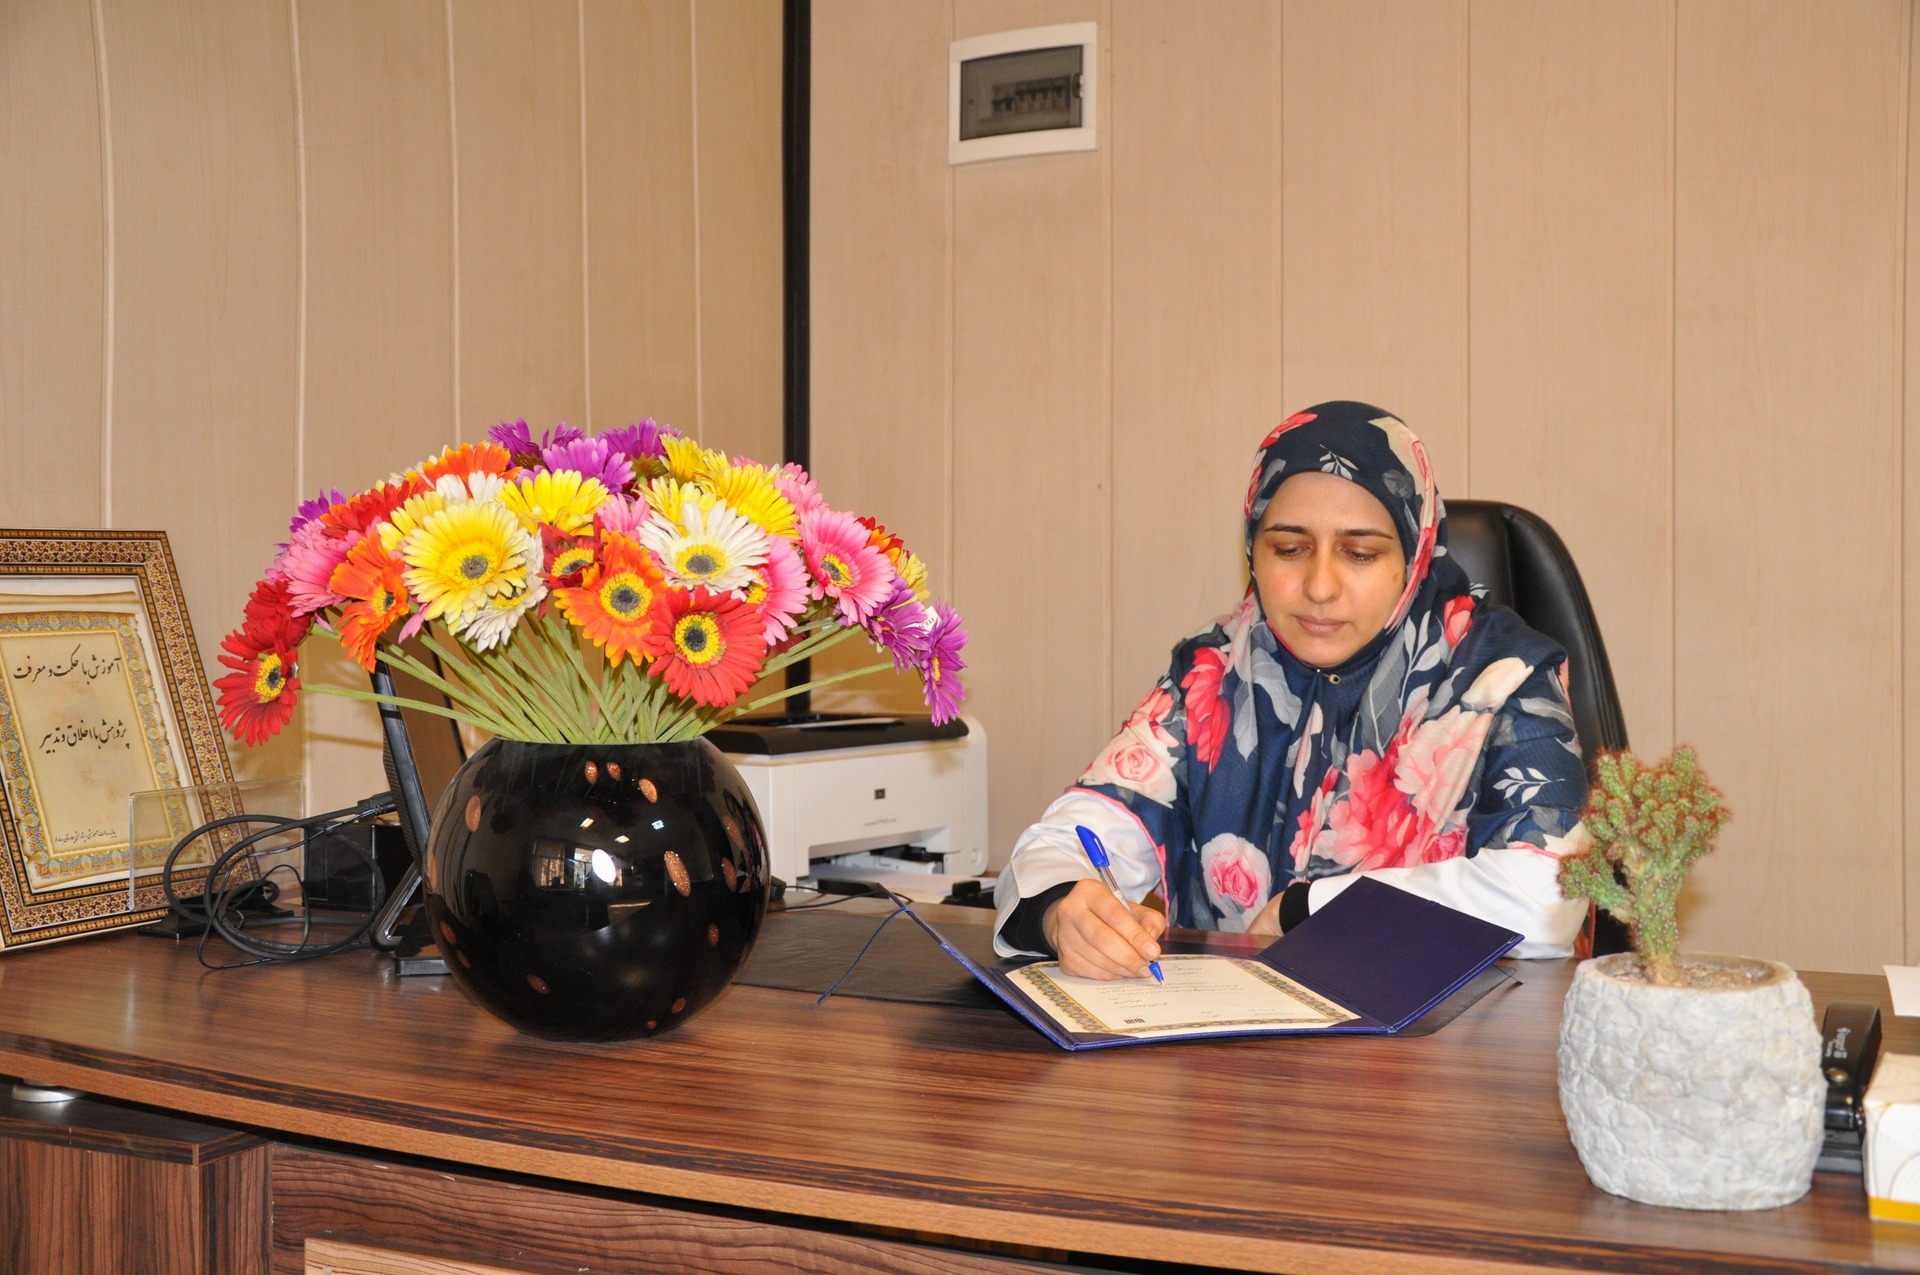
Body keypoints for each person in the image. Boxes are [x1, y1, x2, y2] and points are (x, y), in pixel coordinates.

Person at [993, 401, 1590, 978]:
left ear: (1413, 556)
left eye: (1360, 553)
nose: (1319, 586)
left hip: (1445, 1038)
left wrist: (1311, 909)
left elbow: (1548, 897)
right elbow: (1069, 837)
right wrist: (1060, 910)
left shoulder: (1506, 676)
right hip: (1234, 1039)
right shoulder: (1215, 670)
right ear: (1252, 549)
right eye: (1289, 549)